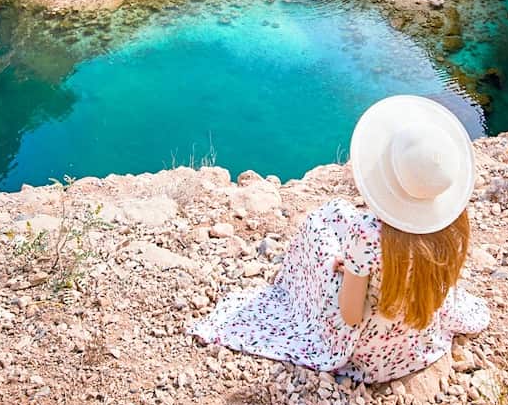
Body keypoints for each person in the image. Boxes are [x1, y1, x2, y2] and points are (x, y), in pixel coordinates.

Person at [191, 96, 489, 383]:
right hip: (418, 345)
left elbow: (349, 315)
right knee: (338, 214)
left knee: (322, 223)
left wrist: (350, 270)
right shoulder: (453, 228)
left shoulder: (370, 236)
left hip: (370, 359)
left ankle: (292, 284)